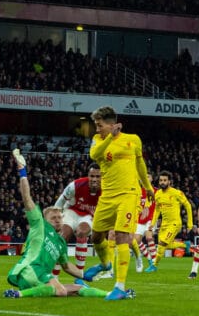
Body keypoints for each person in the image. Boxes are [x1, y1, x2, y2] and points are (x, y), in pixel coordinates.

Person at [4, 149, 118, 299]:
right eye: (54, 217)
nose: (58, 219)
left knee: (77, 288)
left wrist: (85, 274)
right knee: (61, 291)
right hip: (30, 269)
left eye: (59, 217)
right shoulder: (40, 225)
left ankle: (112, 294)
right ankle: (18, 294)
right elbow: (27, 198)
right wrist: (23, 173)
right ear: (45, 219)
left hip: (40, 275)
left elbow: (67, 266)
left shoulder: (60, 244)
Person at [82, 106, 153, 300]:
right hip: (107, 196)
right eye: (96, 125)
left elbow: (140, 164)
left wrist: (147, 187)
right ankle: (105, 264)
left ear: (112, 124)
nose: (97, 129)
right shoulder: (98, 141)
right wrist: (110, 138)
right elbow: (95, 156)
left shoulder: (133, 139)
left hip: (128, 195)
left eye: (100, 125)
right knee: (96, 237)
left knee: (122, 236)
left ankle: (120, 287)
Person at [53, 163, 101, 274]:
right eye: (92, 176)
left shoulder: (108, 190)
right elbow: (60, 202)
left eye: (98, 176)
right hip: (71, 211)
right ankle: (53, 276)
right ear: (88, 175)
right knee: (63, 236)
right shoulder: (75, 185)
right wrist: (54, 220)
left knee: (82, 232)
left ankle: (79, 275)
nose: (94, 179)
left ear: (103, 177)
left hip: (89, 215)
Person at [147, 170, 193, 272]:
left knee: (162, 243)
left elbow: (188, 205)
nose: (162, 182)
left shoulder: (176, 193)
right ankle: (185, 245)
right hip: (164, 224)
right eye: (161, 180)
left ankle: (154, 265)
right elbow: (157, 210)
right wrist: (152, 223)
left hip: (175, 223)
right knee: (163, 245)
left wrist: (190, 223)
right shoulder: (158, 194)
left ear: (169, 182)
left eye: (165, 180)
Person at [134, 173, 158, 273]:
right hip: (139, 220)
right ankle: (149, 259)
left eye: (148, 176)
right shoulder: (137, 192)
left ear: (152, 178)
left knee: (149, 237)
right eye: (144, 176)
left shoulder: (156, 191)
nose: (146, 178)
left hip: (151, 219)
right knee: (136, 241)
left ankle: (154, 262)